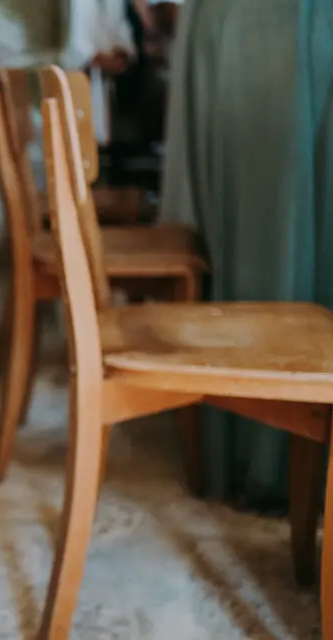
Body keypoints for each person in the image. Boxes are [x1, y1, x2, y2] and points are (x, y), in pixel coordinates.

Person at [160, 0, 333, 508]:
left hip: (241, 25)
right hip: (260, 26)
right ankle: (275, 452)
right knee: (273, 224)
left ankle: (270, 448)